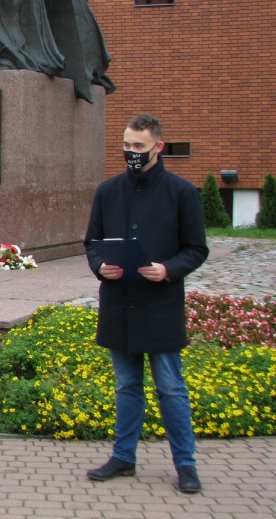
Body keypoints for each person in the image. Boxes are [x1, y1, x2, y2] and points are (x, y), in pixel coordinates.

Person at [83, 114, 209, 493]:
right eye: (126, 146)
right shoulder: (108, 191)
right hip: (119, 304)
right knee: (126, 387)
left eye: (139, 147)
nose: (131, 153)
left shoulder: (182, 192)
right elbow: (91, 243)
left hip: (160, 306)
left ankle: (185, 465)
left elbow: (197, 249)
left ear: (158, 147)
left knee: (171, 388)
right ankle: (123, 457)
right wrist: (101, 267)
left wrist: (167, 269)